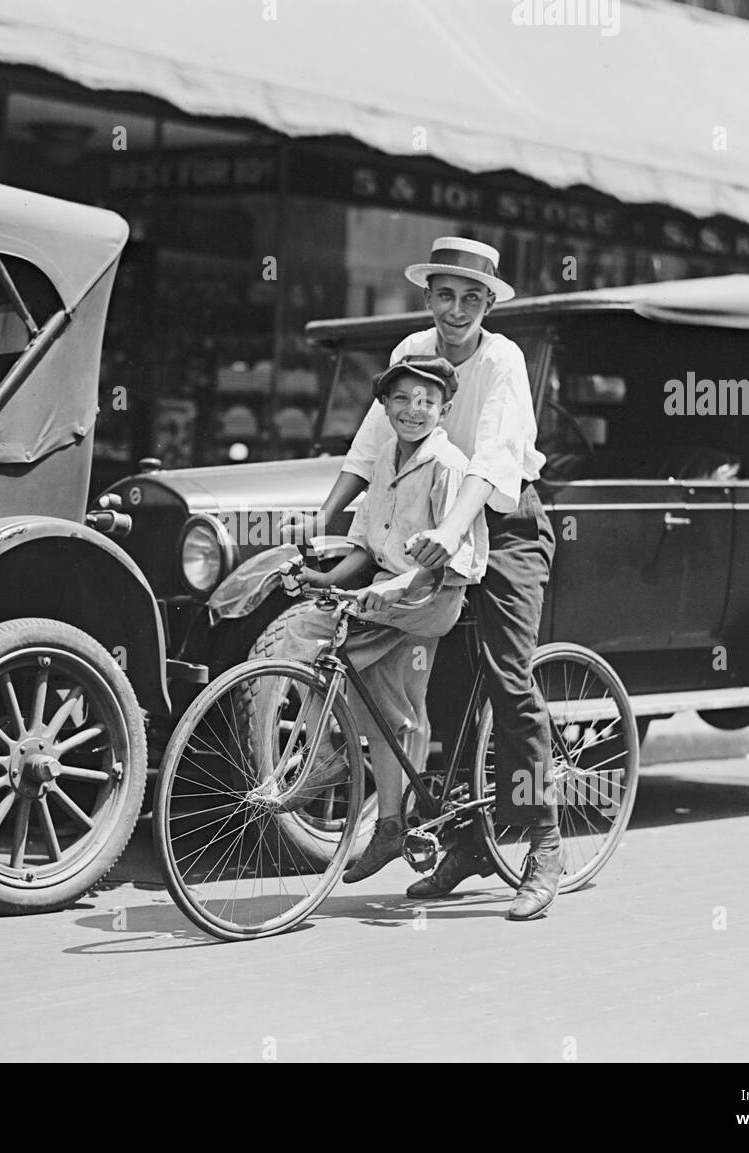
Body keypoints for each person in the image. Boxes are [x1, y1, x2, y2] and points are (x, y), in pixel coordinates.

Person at [306, 236, 561, 921]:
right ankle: (462, 835)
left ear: (487, 304)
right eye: (444, 296)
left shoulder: (501, 359)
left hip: (503, 524)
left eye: (471, 298)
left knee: (508, 679)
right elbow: (375, 437)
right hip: (434, 519)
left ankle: (543, 840)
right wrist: (329, 511)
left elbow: (494, 460)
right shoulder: (411, 351)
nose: (456, 311)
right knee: (431, 680)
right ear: (427, 298)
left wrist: (453, 532)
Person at [263, 355, 487, 883]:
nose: (415, 410)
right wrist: (331, 579)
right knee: (314, 633)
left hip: (429, 596)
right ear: (384, 407)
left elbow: (449, 562)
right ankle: (388, 822)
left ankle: (331, 756)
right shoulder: (386, 455)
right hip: (389, 592)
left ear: (445, 409)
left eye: (427, 402)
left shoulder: (448, 465)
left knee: (338, 645)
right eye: (403, 400)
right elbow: (366, 544)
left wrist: (385, 589)